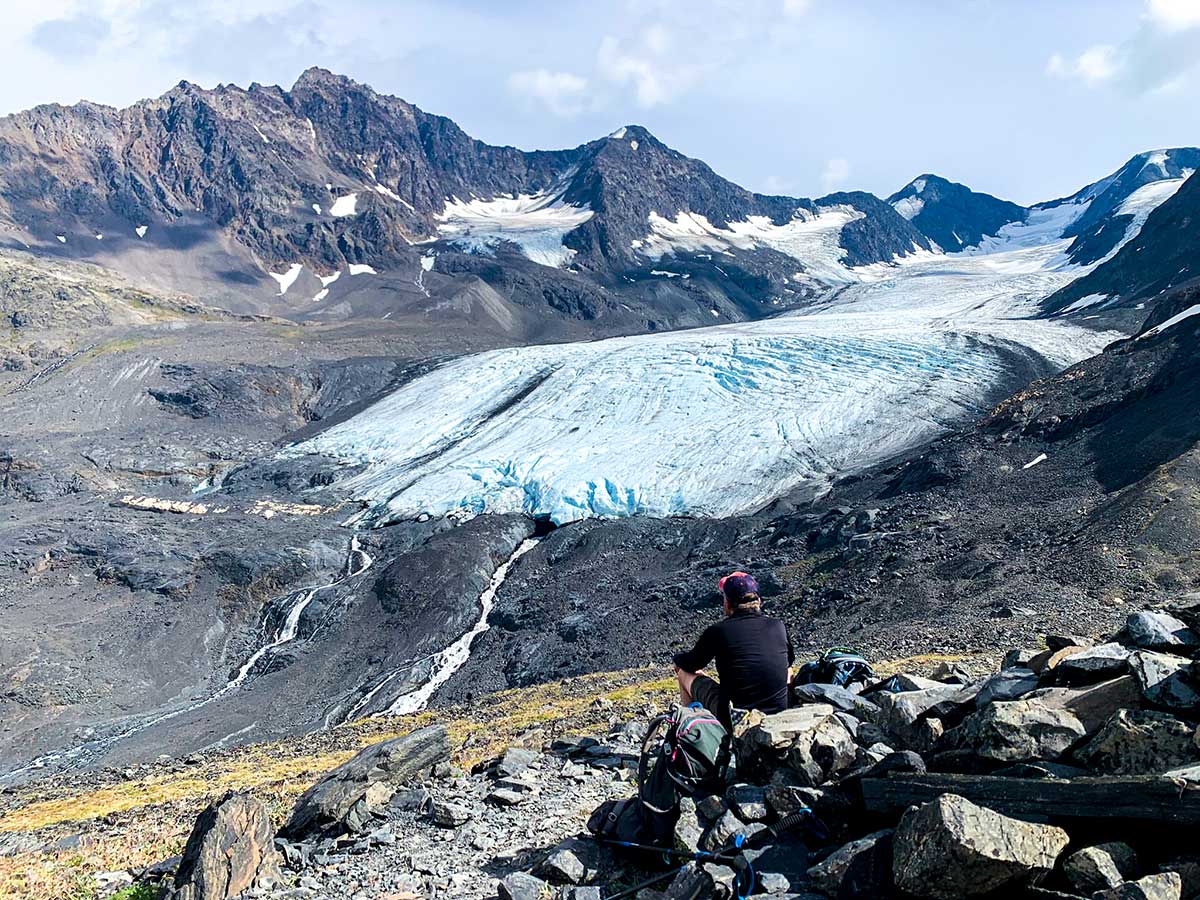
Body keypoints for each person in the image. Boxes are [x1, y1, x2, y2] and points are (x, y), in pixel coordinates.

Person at [673, 571, 794, 729]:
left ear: (728, 604)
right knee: (788, 670)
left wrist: (677, 660)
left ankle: (691, 733)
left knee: (683, 672)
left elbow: (691, 663)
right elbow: (789, 663)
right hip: (778, 714)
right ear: (759, 601)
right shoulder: (778, 625)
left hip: (734, 717)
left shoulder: (718, 631)